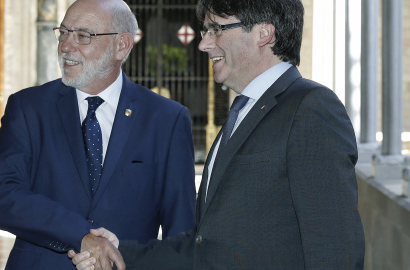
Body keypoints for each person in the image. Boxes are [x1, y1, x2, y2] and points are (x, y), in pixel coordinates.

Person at [70, 0, 366, 269]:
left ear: (264, 33)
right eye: (205, 31)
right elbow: (205, 247)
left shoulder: (310, 108)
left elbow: (334, 250)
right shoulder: (243, 113)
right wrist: (118, 251)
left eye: (216, 29)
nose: (203, 44)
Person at [0, 0, 197, 269]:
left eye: (83, 36)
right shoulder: (28, 108)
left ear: (122, 45)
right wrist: (79, 235)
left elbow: (182, 235)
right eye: (63, 33)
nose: (66, 46)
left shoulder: (166, 119)